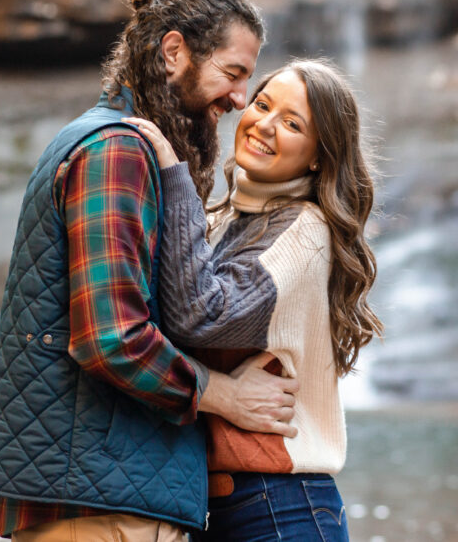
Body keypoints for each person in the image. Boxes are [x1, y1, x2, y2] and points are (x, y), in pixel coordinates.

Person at [0, 0, 301, 542]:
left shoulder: (104, 140)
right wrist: (228, 397)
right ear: (174, 53)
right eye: (233, 73)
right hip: (101, 500)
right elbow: (112, 336)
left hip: (97, 487)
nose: (241, 100)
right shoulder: (119, 149)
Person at [125, 58, 383, 541]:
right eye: (262, 105)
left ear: (318, 157)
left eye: (291, 123)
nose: (264, 124)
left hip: (281, 505)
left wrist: (175, 176)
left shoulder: (306, 230)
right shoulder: (223, 217)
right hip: (214, 504)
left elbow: (202, 317)